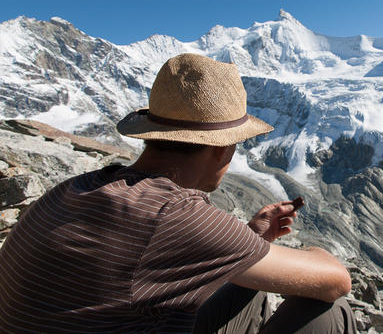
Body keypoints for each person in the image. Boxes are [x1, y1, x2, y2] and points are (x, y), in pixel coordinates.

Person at [0, 53, 356, 333]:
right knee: (327, 309)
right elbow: (336, 280)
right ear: (222, 149)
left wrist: (250, 240)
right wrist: (313, 252)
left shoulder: (73, 189)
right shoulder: (174, 215)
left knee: (249, 286)